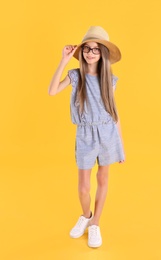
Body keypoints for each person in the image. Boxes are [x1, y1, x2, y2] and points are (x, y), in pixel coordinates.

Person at [48, 26, 125, 248]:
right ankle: (86, 215)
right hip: (85, 134)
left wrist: (121, 144)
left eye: (96, 50)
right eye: (87, 49)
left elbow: (114, 112)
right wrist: (64, 60)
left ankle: (95, 223)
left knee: (102, 179)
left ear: (103, 54)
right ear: (81, 52)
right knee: (83, 187)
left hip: (108, 133)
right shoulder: (75, 76)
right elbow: (52, 91)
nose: (90, 53)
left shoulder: (109, 80)